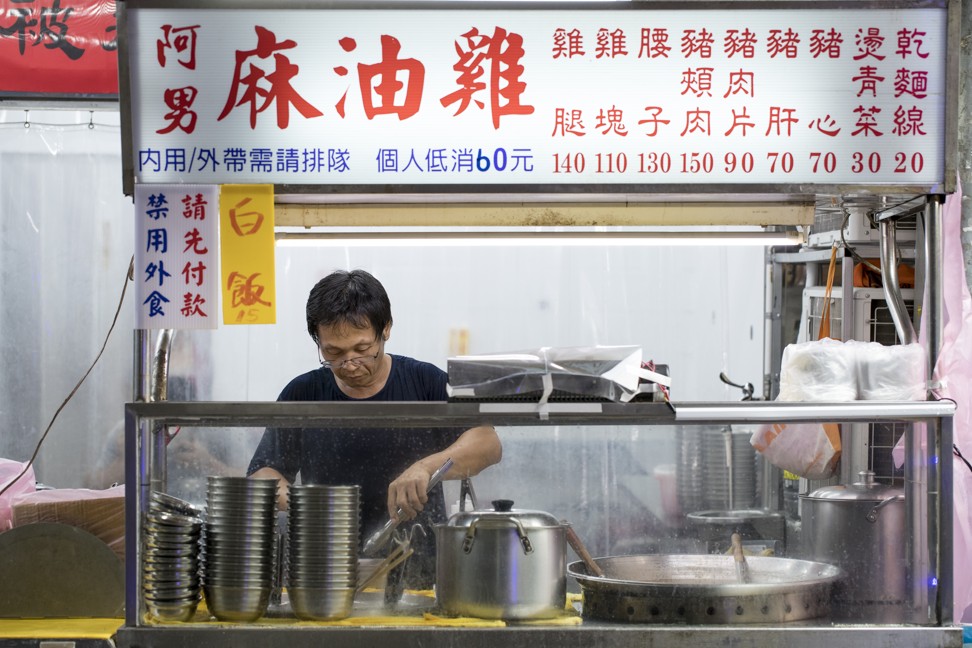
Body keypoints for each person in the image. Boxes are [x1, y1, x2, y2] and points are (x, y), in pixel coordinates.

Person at [247, 269, 502, 590]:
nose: (350, 364)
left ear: (386, 329)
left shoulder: (425, 383)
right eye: (334, 353)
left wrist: (426, 467)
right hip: (325, 570)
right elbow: (262, 474)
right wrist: (306, 503)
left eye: (362, 349)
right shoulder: (304, 393)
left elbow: (488, 442)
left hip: (417, 571)